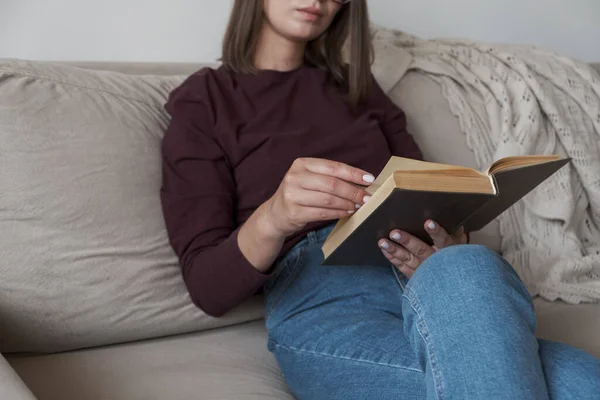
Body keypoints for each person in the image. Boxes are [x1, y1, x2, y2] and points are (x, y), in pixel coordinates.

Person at [159, 0, 600, 398]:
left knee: (470, 261)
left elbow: (427, 190)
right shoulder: (205, 100)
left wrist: (444, 241)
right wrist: (274, 217)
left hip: (435, 287)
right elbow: (206, 288)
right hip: (326, 304)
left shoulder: (359, 89)